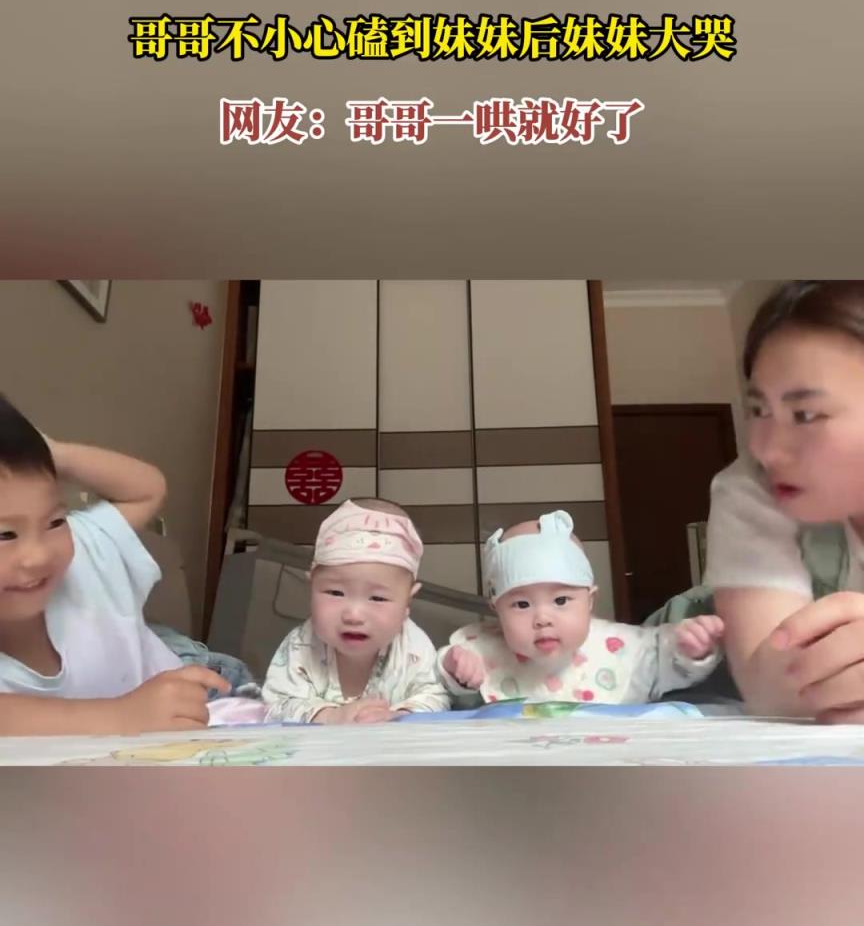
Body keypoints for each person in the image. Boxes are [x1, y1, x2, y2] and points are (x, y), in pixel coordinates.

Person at [0, 396, 227, 736]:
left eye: (55, 521)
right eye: (4, 534)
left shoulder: (86, 549)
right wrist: (121, 716)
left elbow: (147, 490)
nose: (39, 555)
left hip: (204, 699)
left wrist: (50, 453)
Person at [703, 280, 864, 723]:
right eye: (759, 410)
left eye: (805, 415)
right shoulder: (750, 486)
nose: (765, 448)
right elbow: (770, 685)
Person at [438, 510, 724, 705]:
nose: (542, 618)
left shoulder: (619, 647)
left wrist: (690, 649)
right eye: (521, 604)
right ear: (497, 609)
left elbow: (664, 662)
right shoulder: (484, 650)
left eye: (561, 600)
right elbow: (440, 683)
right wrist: (454, 668)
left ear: (589, 601)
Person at [262, 498, 450, 723]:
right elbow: (276, 705)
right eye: (335, 593)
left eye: (378, 598)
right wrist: (329, 716)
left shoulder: (413, 647)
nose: (354, 615)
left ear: (407, 603)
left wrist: (400, 716)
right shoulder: (301, 646)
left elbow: (436, 697)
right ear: (311, 586)